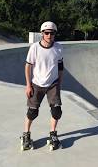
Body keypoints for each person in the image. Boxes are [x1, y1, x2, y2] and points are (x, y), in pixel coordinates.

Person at [21, 21, 64, 150]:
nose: (49, 35)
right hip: (37, 84)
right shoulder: (35, 47)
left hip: (53, 84)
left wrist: (59, 85)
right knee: (32, 112)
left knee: (57, 111)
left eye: (52, 33)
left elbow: (61, 67)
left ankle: (53, 134)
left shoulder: (58, 48)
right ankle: (26, 135)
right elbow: (28, 66)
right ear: (42, 34)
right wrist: (28, 85)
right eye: (46, 33)